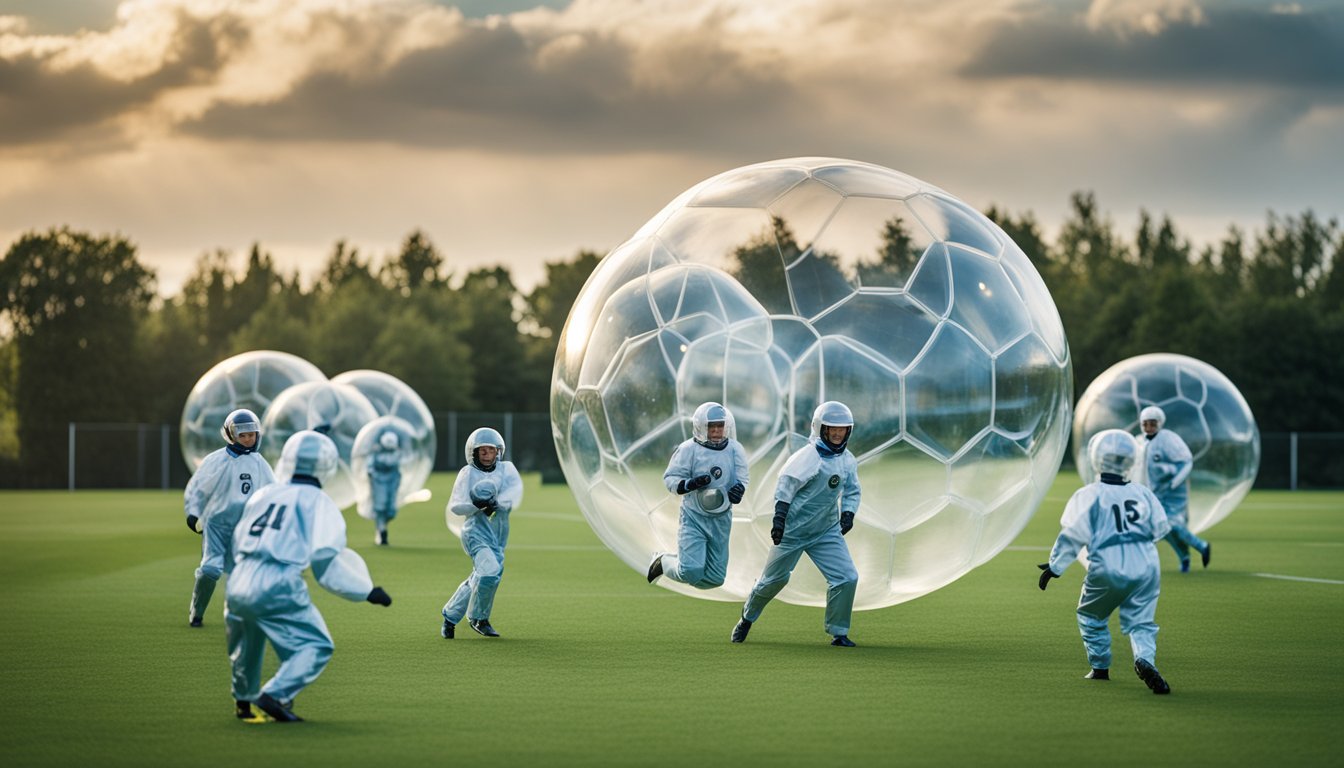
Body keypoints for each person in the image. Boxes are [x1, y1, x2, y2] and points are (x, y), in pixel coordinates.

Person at [225, 430, 393, 723]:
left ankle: (244, 701)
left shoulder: (265, 493)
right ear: (326, 467)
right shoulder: (319, 502)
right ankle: (275, 694)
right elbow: (326, 558)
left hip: (240, 577)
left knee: (248, 645)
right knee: (316, 645)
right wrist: (365, 591)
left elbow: (239, 538)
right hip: (279, 578)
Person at [1037, 429, 1173, 694]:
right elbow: (1160, 529)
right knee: (1142, 622)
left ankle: (1100, 668)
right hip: (1146, 563)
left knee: (1091, 615)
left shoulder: (1088, 494)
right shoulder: (1143, 493)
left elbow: (1073, 535)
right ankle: (1144, 659)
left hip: (1108, 563)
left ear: (1094, 459)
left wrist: (1055, 567)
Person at [731, 401, 860, 647]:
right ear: (820, 428)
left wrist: (849, 513)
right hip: (793, 532)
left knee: (846, 577)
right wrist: (779, 521)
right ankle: (747, 618)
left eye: (842, 429)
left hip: (825, 530)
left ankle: (839, 632)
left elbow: (853, 491)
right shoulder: (807, 457)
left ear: (848, 431)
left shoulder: (847, 460)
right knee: (773, 581)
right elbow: (785, 488)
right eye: (831, 428)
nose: (836, 433)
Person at [183, 408, 276, 628]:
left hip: (245, 528)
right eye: (241, 435)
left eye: (250, 434)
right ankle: (196, 612)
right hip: (216, 524)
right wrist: (193, 512)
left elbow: (272, 492)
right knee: (210, 570)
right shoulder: (216, 460)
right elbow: (198, 488)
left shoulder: (260, 463)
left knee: (240, 575)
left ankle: (234, 616)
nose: (247, 439)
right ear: (230, 435)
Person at [647, 402, 750, 589]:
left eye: (720, 426)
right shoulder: (689, 449)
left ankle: (685, 566)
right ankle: (662, 562)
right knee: (690, 571)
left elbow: (743, 477)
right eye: (712, 427)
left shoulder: (735, 449)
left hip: (721, 519)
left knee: (715, 579)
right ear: (702, 427)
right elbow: (670, 478)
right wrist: (689, 484)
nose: (717, 431)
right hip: (694, 516)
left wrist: (739, 489)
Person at [441, 427, 523, 639]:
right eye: (482, 451)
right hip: (475, 533)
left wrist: (496, 502)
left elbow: (515, 493)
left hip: (498, 536)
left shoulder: (507, 469)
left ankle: (449, 617)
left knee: (482, 576)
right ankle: (479, 618)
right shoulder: (467, 473)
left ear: (498, 451)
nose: (487, 455)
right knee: (489, 572)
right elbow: (457, 505)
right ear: (473, 453)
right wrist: (477, 504)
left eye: (491, 450)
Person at [1138, 405, 1211, 572]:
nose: (1149, 428)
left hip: (1173, 493)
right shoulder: (1141, 442)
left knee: (1173, 525)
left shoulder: (1168, 439)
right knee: (1164, 530)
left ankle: (1202, 546)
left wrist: (1173, 480)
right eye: (1145, 424)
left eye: (1152, 424)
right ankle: (1184, 557)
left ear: (1160, 423)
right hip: (1155, 494)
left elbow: (1186, 462)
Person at [367, 430, 403, 546]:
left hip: (392, 483)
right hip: (379, 482)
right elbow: (370, 467)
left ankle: (382, 526)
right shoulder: (376, 452)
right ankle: (382, 530)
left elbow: (399, 465)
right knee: (380, 507)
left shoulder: (397, 453)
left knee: (391, 510)